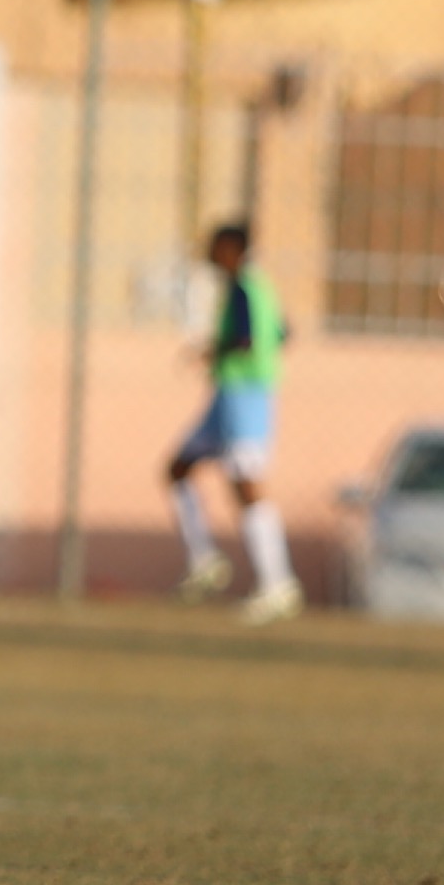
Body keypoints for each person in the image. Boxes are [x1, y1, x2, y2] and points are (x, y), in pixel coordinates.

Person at [165, 220, 299, 621]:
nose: (211, 252)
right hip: (229, 395)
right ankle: (204, 559)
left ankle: (279, 584)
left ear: (233, 250)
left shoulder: (245, 288)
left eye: (217, 246)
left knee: (247, 483)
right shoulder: (258, 288)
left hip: (247, 396)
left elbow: (247, 339)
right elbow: (283, 332)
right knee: (178, 468)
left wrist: (211, 349)